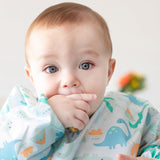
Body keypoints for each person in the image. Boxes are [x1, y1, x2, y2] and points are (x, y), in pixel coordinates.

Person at [0, 2, 160, 160]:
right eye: (51, 69)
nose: (69, 81)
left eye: (85, 65)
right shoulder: (22, 109)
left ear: (109, 71)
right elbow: (4, 151)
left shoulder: (135, 112)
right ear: (32, 77)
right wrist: (48, 115)